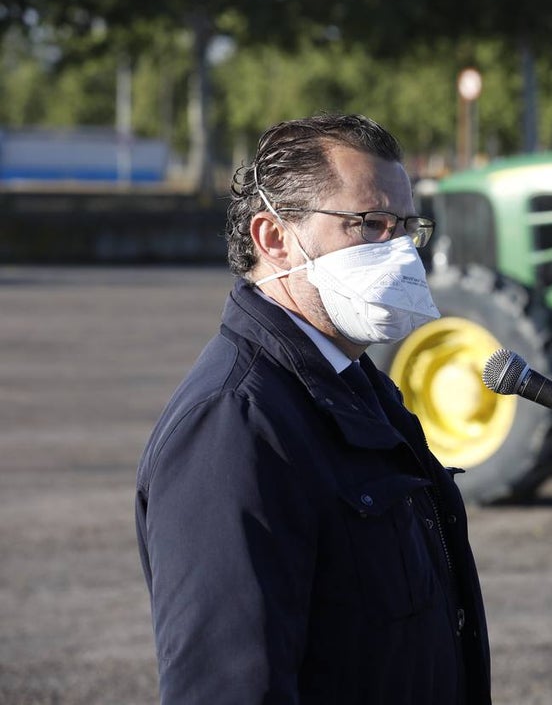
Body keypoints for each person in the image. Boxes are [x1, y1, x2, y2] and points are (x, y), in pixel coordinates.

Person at [135, 113, 491, 704]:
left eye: (407, 227)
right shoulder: (235, 425)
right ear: (273, 238)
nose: (399, 251)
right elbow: (229, 686)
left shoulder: (353, 384)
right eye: (370, 224)